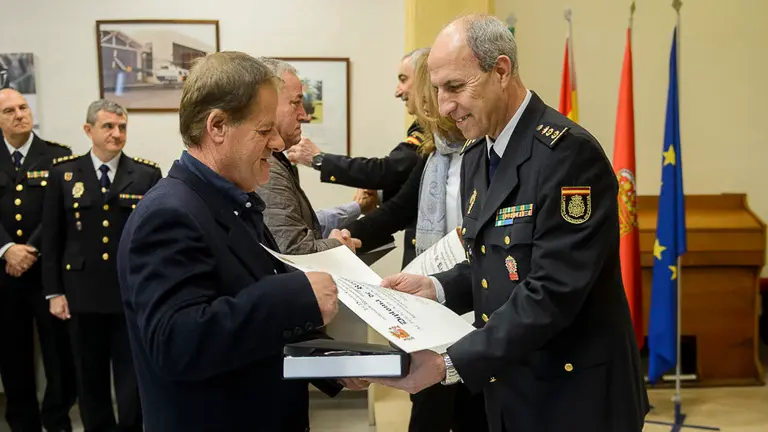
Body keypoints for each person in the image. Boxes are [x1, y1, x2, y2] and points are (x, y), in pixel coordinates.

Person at [370, 14, 649, 432]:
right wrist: (438, 286)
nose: (445, 106)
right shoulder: (476, 156)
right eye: (437, 90)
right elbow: (496, 262)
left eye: (455, 87)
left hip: (572, 396)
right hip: (511, 385)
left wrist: (449, 364)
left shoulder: (567, 156)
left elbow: (552, 290)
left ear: (501, 70)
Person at [116, 51, 349, 431]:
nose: (277, 143)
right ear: (218, 126)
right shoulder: (169, 214)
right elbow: (176, 341)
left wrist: (334, 365)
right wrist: (298, 295)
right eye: (263, 130)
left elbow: (251, 317)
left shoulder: (232, 201)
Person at [344, 51, 487, 432]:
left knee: (471, 409)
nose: (436, 102)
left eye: (445, 89)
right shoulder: (434, 152)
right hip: (432, 301)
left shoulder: (486, 152)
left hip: (475, 301)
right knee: (429, 407)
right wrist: (349, 238)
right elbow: (399, 210)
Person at [42, 99, 162, 432]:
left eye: (122, 127)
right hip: (81, 294)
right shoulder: (64, 174)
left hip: (129, 294)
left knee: (132, 377)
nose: (117, 133)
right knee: (88, 376)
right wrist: (53, 291)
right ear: (88, 130)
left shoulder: (146, 174)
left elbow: (153, 240)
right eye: (108, 126)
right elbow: (52, 239)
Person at [287, 48, 429, 265]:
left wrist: (319, 159)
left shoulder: (435, 136)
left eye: (403, 79)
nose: (397, 91)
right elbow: (403, 199)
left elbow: (389, 171)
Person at [0, 88, 77, 432]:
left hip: (47, 271)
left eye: (23, 107)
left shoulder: (58, 158)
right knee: (12, 353)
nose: (19, 114)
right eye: (9, 111)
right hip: (3, 273)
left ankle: (57, 419)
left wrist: (28, 250)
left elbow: (61, 212)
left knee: (58, 353)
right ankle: (22, 422)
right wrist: (7, 249)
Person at [256, 57, 365, 255]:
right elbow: (293, 250)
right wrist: (339, 247)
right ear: (266, 106)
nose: (304, 114)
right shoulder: (266, 166)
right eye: (296, 103)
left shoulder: (276, 160)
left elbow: (300, 225)